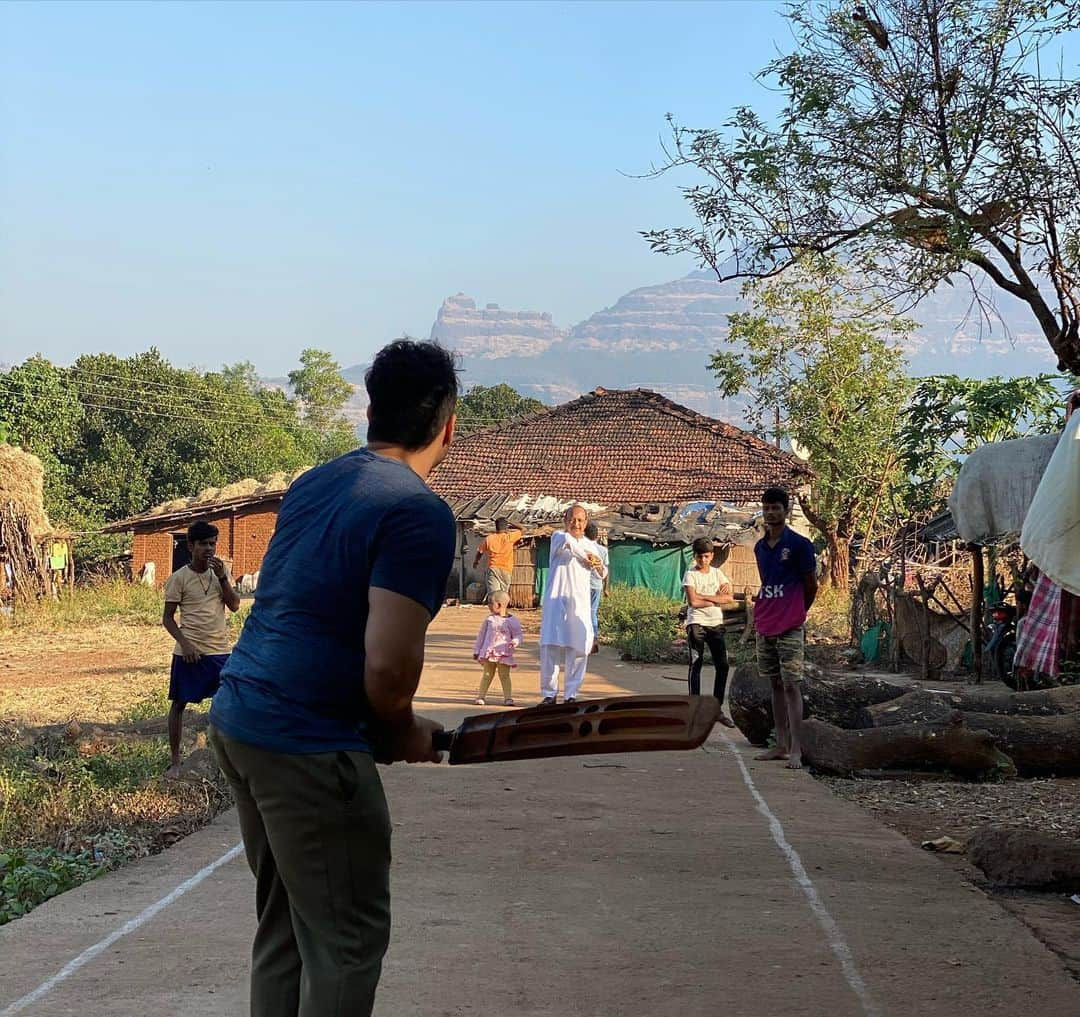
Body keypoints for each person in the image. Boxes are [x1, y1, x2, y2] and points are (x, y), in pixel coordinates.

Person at [207, 339, 458, 1017]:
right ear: (449, 421)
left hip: (239, 718)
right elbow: (387, 665)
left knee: (285, 925)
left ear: (369, 411)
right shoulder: (418, 512)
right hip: (306, 743)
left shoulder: (317, 482)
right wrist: (403, 729)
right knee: (346, 943)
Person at [162, 521, 240, 777]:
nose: (209, 549)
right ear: (191, 546)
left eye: (213, 543)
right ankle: (175, 762)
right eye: (204, 543)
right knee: (179, 704)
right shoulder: (179, 578)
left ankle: (229, 761)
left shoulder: (221, 573)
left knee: (228, 703)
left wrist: (222, 578)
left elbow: (236, 605)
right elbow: (168, 618)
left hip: (219, 651)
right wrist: (185, 644)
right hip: (190, 653)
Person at [752, 487, 817, 769]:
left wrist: (798, 610)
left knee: (792, 684)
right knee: (774, 683)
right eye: (766, 508)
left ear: (785, 510)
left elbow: (811, 584)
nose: (770, 512)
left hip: (790, 624)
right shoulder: (760, 547)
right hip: (766, 621)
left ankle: (795, 749)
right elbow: (767, 581)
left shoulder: (801, 545)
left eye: (775, 507)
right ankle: (779, 744)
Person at [538, 504, 605, 704]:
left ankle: (571, 694)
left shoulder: (592, 546)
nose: (576, 524)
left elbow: (602, 573)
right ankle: (549, 694)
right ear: (565, 520)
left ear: (586, 523)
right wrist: (588, 558)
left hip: (579, 603)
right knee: (550, 646)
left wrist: (598, 565)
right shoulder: (559, 536)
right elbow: (571, 544)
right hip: (556, 601)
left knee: (578, 649)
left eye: (580, 520)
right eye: (572, 519)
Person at [682, 537, 736, 727]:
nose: (703, 560)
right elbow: (693, 602)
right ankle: (694, 709)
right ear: (695, 557)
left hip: (715, 623)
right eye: (699, 557)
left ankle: (716, 709)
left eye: (706, 556)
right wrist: (716, 598)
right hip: (696, 622)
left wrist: (704, 596)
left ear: (712, 556)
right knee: (695, 664)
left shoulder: (718, 574)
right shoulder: (690, 575)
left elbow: (729, 598)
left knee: (723, 666)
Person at [472, 590, 524, 706]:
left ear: (499, 605)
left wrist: (515, 642)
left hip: (504, 654)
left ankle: (508, 698)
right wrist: (477, 650)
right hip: (488, 653)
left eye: (491, 603)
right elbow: (481, 635)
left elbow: (518, 635)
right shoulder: (489, 620)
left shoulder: (512, 621)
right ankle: (481, 696)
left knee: (504, 676)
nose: (488, 606)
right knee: (487, 675)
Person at [472, 517, 523, 596]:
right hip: (506, 570)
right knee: (503, 596)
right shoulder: (509, 537)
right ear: (506, 527)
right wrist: (511, 522)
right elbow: (523, 529)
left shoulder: (489, 538)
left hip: (493, 568)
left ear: (496, 527)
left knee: (493, 595)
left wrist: (476, 562)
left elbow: (480, 551)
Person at [583, 521, 609, 654]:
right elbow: (606, 570)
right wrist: (606, 588)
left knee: (582, 612)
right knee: (592, 613)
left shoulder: (582, 548)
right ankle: (594, 639)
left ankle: (585, 640)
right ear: (597, 536)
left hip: (583, 585)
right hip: (597, 585)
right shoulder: (603, 550)